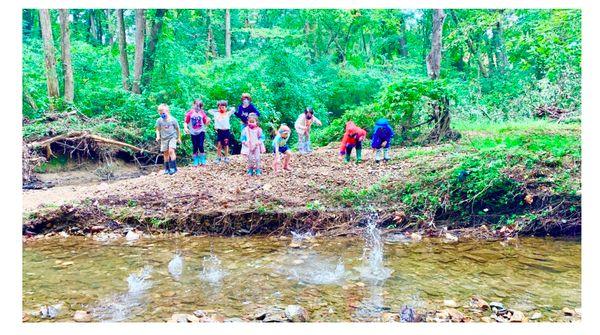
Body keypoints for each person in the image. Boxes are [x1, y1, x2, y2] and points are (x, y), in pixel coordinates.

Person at [155, 103, 182, 174]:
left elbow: (178, 129)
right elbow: (157, 129)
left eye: (163, 113)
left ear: (167, 111)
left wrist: (179, 138)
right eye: (160, 113)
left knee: (171, 151)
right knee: (166, 154)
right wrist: (158, 136)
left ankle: (173, 168)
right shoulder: (159, 120)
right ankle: (167, 169)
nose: (162, 115)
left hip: (172, 137)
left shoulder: (173, 120)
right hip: (164, 139)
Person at [184, 100, 210, 166]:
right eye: (196, 105)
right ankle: (195, 160)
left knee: (200, 145)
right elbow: (185, 122)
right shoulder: (190, 113)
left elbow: (205, 123)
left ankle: (202, 159)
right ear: (193, 105)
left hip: (201, 131)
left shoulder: (202, 113)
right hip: (193, 132)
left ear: (201, 107)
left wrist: (208, 121)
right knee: (195, 146)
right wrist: (186, 128)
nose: (198, 107)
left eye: (199, 106)